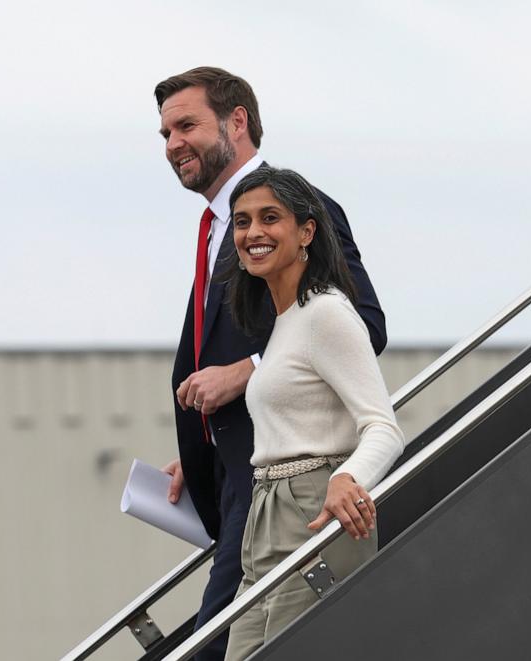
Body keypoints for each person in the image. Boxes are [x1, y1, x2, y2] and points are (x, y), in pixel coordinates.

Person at [154, 67, 387, 661]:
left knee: (214, 644)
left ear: (237, 122)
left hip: (299, 493)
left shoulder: (291, 206)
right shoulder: (216, 229)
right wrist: (205, 441)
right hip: (249, 480)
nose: (173, 143)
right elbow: (276, 351)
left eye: (186, 125)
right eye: (164, 134)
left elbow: (363, 324)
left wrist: (243, 372)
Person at [221, 165, 404, 660]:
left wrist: (348, 478)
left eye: (269, 218)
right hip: (267, 513)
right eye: (241, 221)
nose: (253, 232)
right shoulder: (284, 323)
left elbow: (384, 427)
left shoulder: (326, 312)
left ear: (306, 231)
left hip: (315, 511)